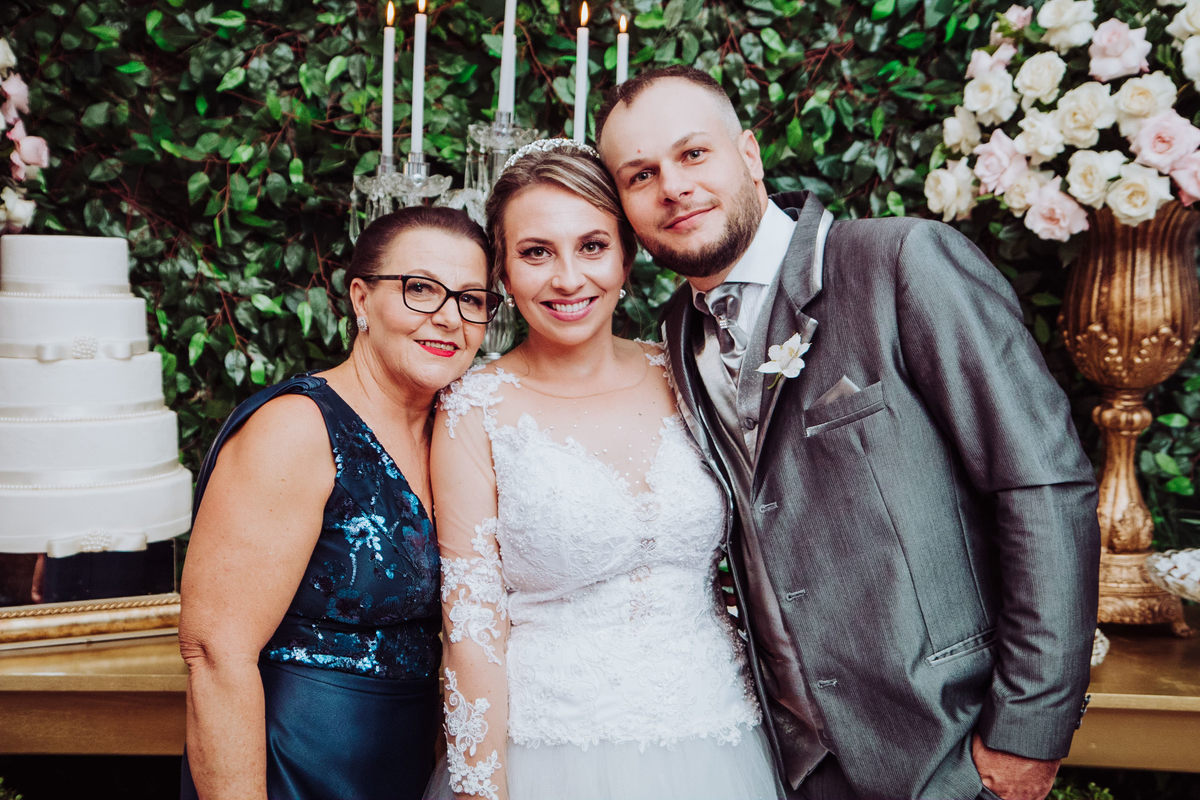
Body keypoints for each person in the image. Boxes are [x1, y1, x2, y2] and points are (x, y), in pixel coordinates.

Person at [595, 66, 1100, 800]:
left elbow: (1042, 483)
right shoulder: (674, 336)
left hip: (951, 745)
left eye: (692, 154)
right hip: (790, 763)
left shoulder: (899, 263)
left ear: (751, 155)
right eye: (641, 175)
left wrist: (1028, 727)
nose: (672, 186)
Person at [425, 139, 780, 800]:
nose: (567, 279)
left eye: (591, 246)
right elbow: (472, 629)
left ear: (627, 255)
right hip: (551, 754)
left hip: (722, 737)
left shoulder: (690, 372)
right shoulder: (474, 409)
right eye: (536, 252)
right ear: (502, 271)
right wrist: (479, 787)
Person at [178, 206, 497, 800]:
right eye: (420, 289)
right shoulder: (297, 428)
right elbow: (216, 651)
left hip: (404, 768)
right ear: (360, 298)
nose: (450, 318)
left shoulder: (457, 433)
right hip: (295, 763)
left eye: (472, 300)